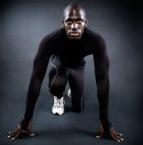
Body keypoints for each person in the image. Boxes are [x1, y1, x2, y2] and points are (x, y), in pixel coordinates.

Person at [7, 3, 124, 142]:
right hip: (60, 64)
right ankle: (59, 95)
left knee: (78, 107)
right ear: (63, 23)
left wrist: (105, 123)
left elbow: (102, 79)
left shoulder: (96, 41)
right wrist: (25, 122)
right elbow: (37, 78)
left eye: (78, 21)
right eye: (70, 21)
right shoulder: (49, 41)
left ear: (85, 23)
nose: (74, 26)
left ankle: (72, 91)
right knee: (57, 83)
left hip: (78, 67)